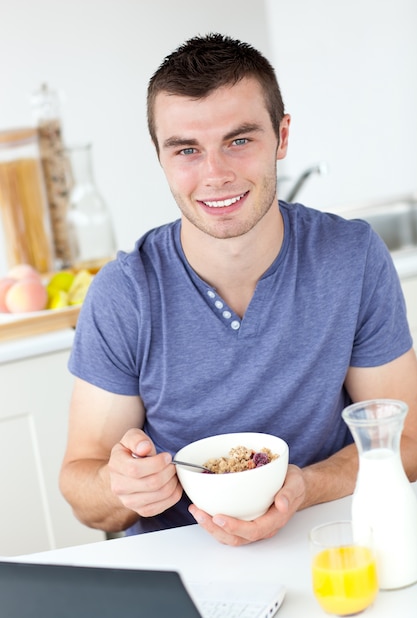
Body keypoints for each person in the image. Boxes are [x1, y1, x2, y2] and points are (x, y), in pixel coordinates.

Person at [60, 33, 417, 546]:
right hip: (177, 557)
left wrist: (304, 487)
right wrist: (122, 488)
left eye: (240, 140)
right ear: (160, 156)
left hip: (322, 538)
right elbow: (83, 493)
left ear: (282, 135)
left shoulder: (350, 257)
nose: (216, 174)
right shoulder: (125, 292)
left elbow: (404, 440)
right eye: (187, 149)